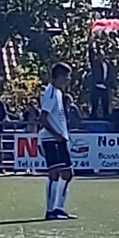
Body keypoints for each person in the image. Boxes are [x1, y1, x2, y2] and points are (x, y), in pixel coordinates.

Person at [39, 63, 75, 221]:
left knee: (67, 173)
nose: (68, 80)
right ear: (59, 76)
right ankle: (50, 210)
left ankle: (59, 208)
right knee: (55, 173)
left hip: (59, 139)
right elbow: (43, 118)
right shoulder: (51, 93)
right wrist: (57, 134)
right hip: (52, 139)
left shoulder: (58, 93)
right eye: (66, 77)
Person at [88, 52, 114, 119]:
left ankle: (106, 115)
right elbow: (91, 58)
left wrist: (109, 83)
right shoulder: (95, 64)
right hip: (97, 85)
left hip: (105, 86)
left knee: (105, 102)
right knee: (95, 102)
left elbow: (109, 74)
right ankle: (93, 115)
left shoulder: (107, 64)